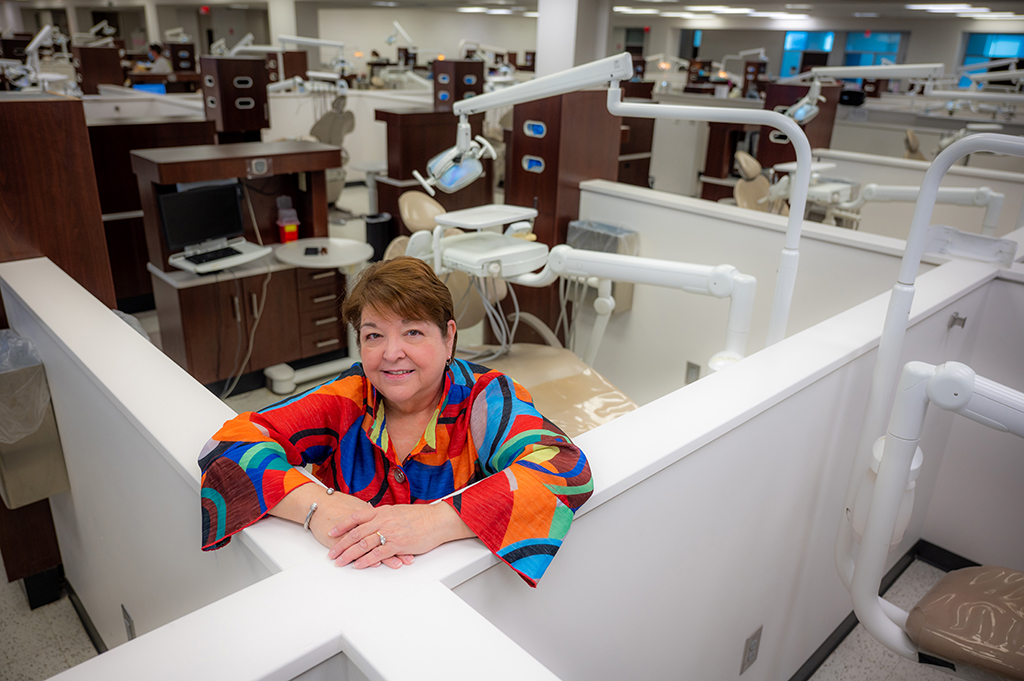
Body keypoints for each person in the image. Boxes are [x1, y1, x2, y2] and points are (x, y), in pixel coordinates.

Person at [198, 257, 593, 586]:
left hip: (457, 598)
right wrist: (317, 506)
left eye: (413, 332)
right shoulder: (348, 397)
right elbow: (228, 445)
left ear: (448, 337)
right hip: (344, 592)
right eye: (373, 336)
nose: (391, 353)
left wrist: (437, 520)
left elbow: (563, 468)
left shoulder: (484, 399)